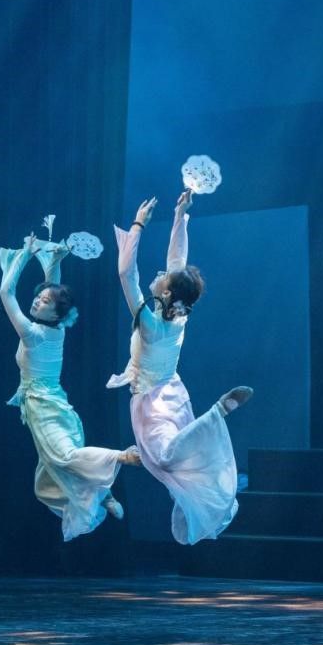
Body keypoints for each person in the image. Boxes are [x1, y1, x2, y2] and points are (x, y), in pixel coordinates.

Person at [107, 190, 252, 544]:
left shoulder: (151, 324)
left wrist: (138, 225)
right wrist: (179, 215)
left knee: (164, 457)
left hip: (152, 401)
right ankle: (208, 475)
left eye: (164, 279)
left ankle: (217, 413)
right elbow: (177, 260)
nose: (160, 275)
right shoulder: (176, 316)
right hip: (173, 392)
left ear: (168, 294)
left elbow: (126, 274)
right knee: (180, 464)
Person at [0, 232, 140, 541]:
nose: (37, 300)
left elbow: (5, 292)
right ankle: (104, 494)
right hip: (51, 403)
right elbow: (52, 287)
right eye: (39, 297)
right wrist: (56, 260)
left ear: (55, 313)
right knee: (48, 480)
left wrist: (24, 255)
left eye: (44, 301)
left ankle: (120, 457)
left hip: (44, 407)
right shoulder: (56, 329)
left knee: (64, 458)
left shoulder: (33, 334)